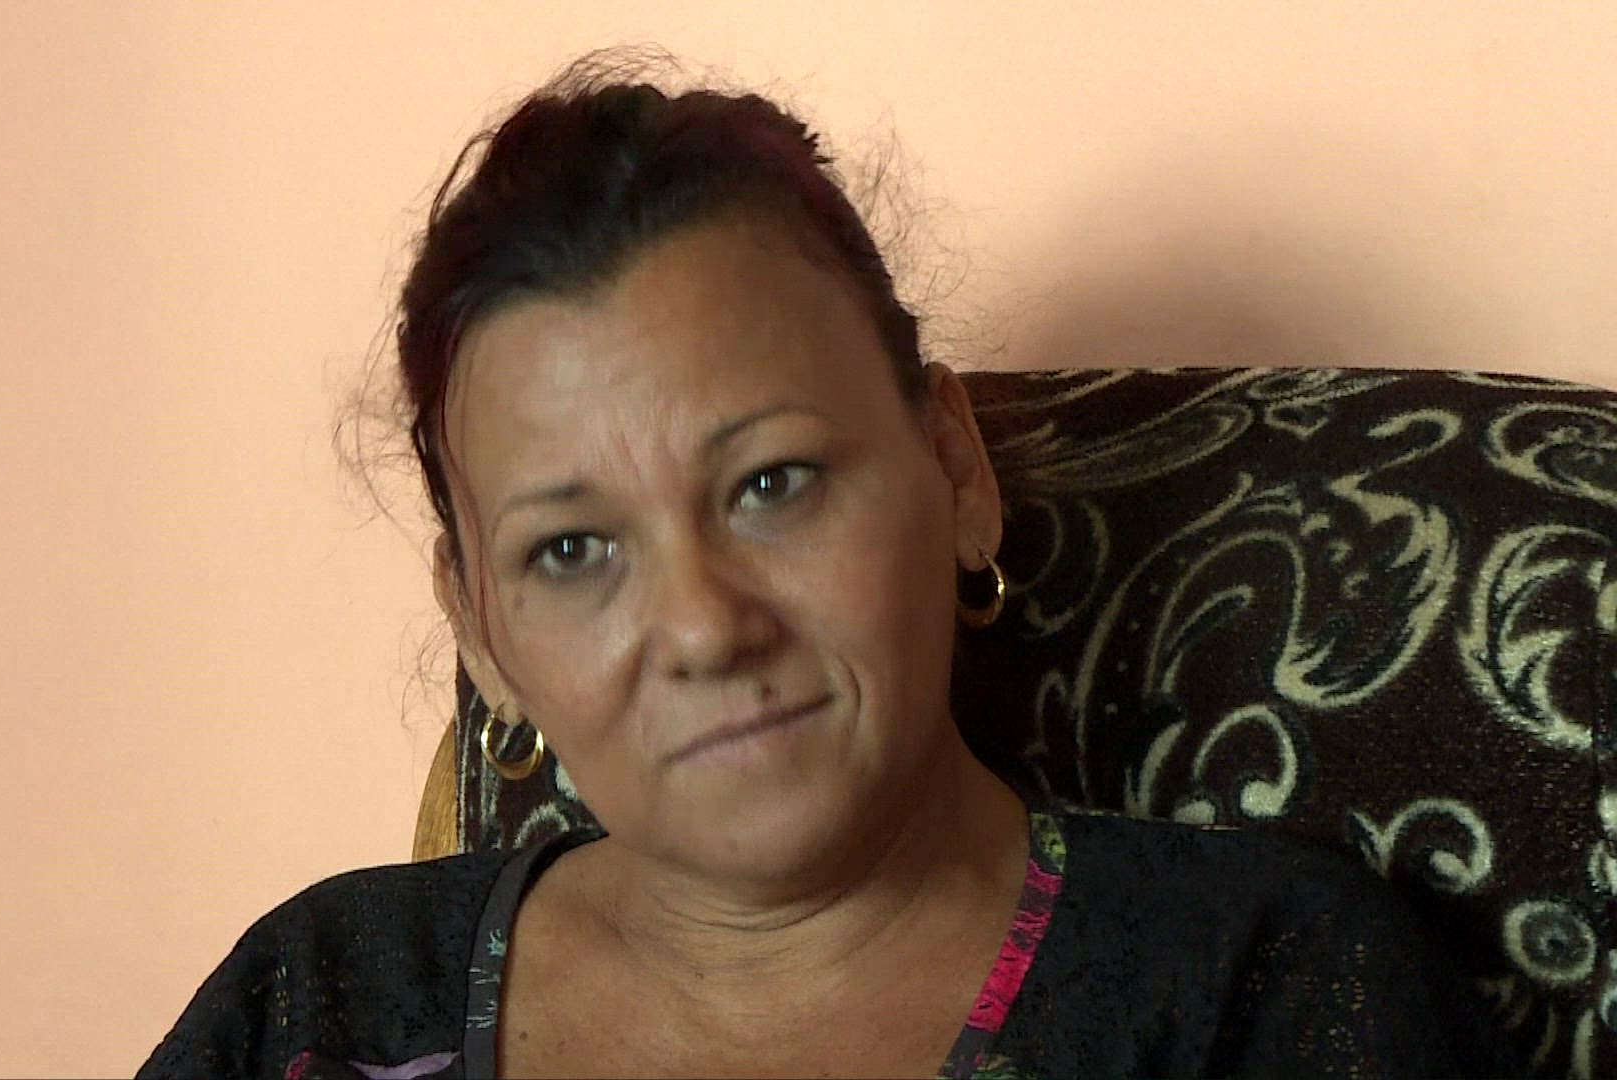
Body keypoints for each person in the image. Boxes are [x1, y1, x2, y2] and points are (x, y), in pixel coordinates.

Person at [138, 56, 1523, 1079]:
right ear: (481, 630)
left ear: (955, 470)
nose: (702, 626)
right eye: (571, 550)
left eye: (772, 484)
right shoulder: (313, 1004)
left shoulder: (1266, 990)